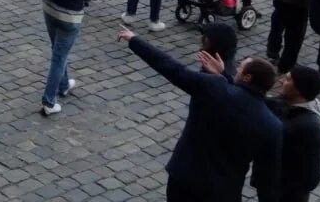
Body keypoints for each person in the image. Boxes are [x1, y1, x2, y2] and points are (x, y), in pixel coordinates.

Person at [119, 26, 281, 202]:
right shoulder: (271, 124)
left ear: (247, 78)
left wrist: (135, 40)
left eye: (240, 69)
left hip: (186, 179)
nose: (236, 70)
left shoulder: (213, 87)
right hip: (224, 191)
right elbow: (266, 176)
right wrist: (224, 75)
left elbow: (173, 69)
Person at [269, 66, 320, 202]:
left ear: (299, 90)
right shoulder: (286, 103)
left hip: (287, 193)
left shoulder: (307, 126)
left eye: (288, 80)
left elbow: (311, 174)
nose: (282, 81)